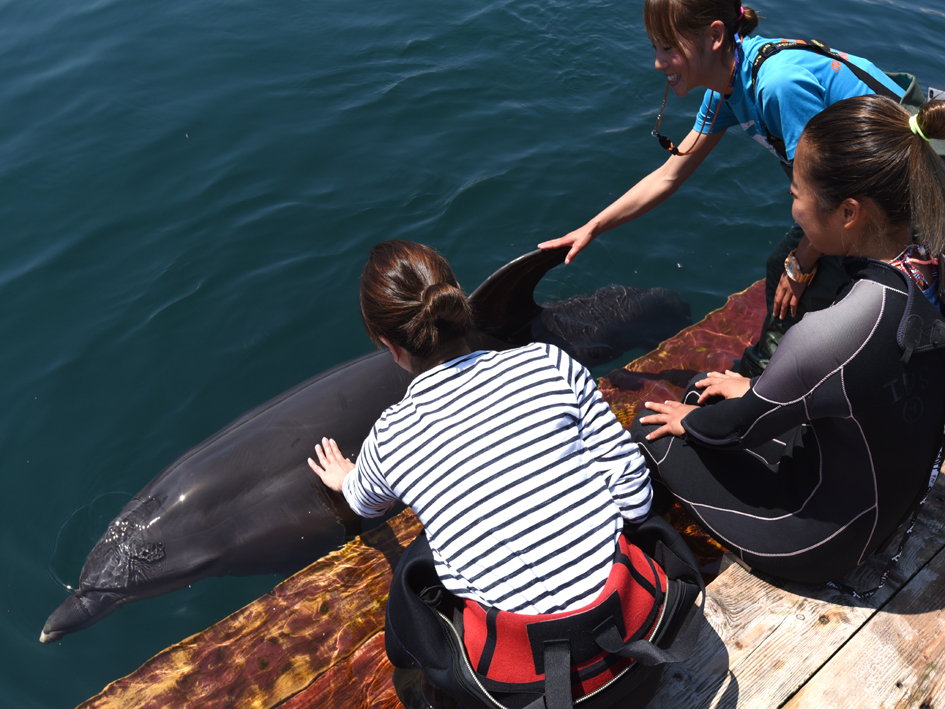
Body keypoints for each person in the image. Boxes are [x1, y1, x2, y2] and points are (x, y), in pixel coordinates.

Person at [307, 240, 701, 709]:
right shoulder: (548, 363)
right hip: (648, 638)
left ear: (389, 347)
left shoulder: (389, 437)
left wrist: (345, 477)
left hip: (528, 693)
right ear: (457, 302)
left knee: (415, 569)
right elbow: (635, 501)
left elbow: (364, 501)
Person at [630, 95, 945, 584]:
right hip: (881, 497)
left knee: (658, 422)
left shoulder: (830, 331)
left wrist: (696, 418)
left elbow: (731, 430)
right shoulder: (927, 272)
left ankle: (658, 567)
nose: (793, 205)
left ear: (848, 213)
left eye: (797, 191)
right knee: (717, 388)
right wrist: (747, 394)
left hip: (826, 543)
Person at [538, 0, 909, 376]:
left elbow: (831, 196)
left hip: (893, 194)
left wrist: (800, 266)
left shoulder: (777, 87)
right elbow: (669, 176)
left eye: (668, 48)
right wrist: (592, 228)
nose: (658, 62)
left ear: (715, 35)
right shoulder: (727, 89)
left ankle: (760, 386)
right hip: (849, 194)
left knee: (802, 285)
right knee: (784, 264)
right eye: (655, 47)